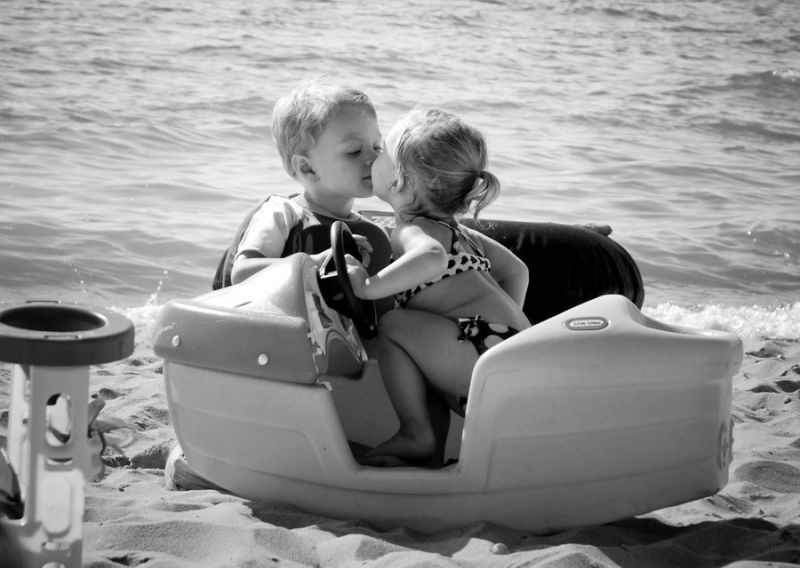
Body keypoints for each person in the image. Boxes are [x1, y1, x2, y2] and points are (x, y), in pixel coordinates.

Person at [346, 109, 531, 466]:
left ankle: (416, 433)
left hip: (480, 356)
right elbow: (517, 271)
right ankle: (428, 452)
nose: (372, 157)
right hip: (507, 350)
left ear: (400, 179)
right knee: (419, 349)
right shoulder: (459, 232)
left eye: (381, 150)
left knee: (393, 326)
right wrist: (498, 335)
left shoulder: (413, 229)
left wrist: (367, 287)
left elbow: (432, 257)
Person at [212, 78, 389, 290]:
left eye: (377, 147)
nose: (374, 158)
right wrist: (314, 262)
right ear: (307, 168)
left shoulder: (371, 235)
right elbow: (242, 273)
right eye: (354, 151)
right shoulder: (281, 214)